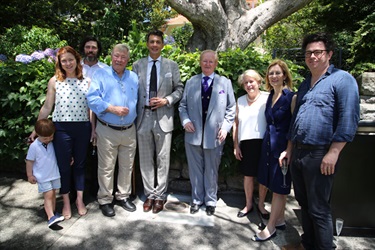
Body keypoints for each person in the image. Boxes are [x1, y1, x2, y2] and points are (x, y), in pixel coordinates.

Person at [280, 33, 360, 249]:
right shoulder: (306, 85)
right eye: (308, 53)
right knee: (304, 205)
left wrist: (333, 153)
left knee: (319, 208)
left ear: (329, 54)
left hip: (320, 154)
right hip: (298, 153)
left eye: (318, 52)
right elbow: (295, 121)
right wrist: (288, 150)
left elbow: (348, 118)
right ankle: (308, 244)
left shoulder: (342, 79)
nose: (312, 56)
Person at [29, 46, 94, 220]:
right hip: (61, 129)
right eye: (64, 60)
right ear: (59, 63)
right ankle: (66, 202)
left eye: (70, 59)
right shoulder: (54, 81)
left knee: (80, 166)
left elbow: (91, 109)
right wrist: (36, 129)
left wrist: (92, 129)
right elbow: (47, 107)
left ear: (77, 60)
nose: (68, 63)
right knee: (64, 167)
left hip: (82, 128)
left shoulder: (86, 81)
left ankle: (79, 200)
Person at [179, 50, 236, 216]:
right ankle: (196, 199)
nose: (207, 64)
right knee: (195, 170)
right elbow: (182, 106)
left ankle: (211, 200)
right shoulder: (191, 82)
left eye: (211, 61)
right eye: (204, 61)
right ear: (200, 62)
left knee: (211, 170)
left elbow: (231, 108)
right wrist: (185, 121)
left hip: (215, 134)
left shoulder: (225, 83)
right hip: (193, 133)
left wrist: (225, 128)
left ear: (216, 64)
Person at [132, 30, 183, 214]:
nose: (154, 45)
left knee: (163, 159)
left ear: (162, 45)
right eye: (151, 41)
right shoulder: (137, 65)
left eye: (158, 42)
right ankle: (149, 195)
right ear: (147, 44)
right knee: (145, 160)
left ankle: (160, 196)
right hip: (143, 117)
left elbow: (179, 89)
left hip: (163, 116)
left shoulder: (171, 66)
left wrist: (167, 100)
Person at [86, 44, 138, 217]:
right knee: (106, 168)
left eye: (123, 57)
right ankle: (105, 200)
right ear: (111, 56)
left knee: (126, 166)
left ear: (128, 59)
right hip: (107, 129)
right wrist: (111, 108)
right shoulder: (101, 74)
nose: (119, 59)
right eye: (117, 56)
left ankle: (123, 196)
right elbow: (92, 99)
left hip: (129, 130)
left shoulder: (134, 77)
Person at [252, 60, 295, 242]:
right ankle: (279, 220)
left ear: (284, 75)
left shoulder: (291, 97)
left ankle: (270, 228)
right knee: (276, 184)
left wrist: (289, 150)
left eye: (278, 73)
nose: (274, 76)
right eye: (271, 73)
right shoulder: (270, 96)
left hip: (282, 148)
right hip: (268, 145)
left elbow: (294, 127)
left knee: (279, 188)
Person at [232, 69, 269, 220]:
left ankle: (261, 204)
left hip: (264, 142)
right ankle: (248, 204)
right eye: (246, 82)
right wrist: (236, 145)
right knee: (248, 176)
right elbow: (235, 124)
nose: (249, 85)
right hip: (246, 142)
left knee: (263, 176)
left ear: (259, 82)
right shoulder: (240, 100)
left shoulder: (267, 98)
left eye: (252, 81)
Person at [26, 119, 65, 228]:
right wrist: (30, 175)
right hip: (42, 176)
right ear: (37, 134)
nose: (48, 140)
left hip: (54, 173)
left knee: (53, 194)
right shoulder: (34, 146)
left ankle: (53, 212)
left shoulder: (52, 143)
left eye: (51, 137)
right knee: (48, 195)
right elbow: (29, 161)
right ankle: (50, 217)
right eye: (45, 138)